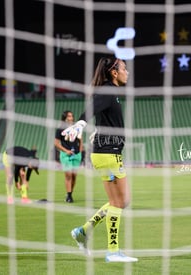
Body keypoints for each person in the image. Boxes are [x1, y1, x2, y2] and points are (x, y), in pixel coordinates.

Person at [62, 57, 137, 262]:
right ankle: (113, 251)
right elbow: (93, 106)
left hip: (108, 153)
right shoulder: (108, 90)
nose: (127, 72)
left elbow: (102, 113)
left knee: (123, 200)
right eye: (124, 69)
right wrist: (81, 122)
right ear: (114, 73)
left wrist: (96, 129)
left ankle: (83, 232)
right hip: (107, 154)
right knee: (118, 202)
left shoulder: (111, 92)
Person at [54, 110, 84, 203]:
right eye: (69, 116)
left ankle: (69, 193)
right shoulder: (60, 129)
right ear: (64, 118)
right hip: (65, 154)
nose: (71, 118)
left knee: (74, 176)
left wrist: (80, 149)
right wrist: (66, 151)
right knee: (68, 174)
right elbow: (56, 143)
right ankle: (69, 196)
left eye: (71, 116)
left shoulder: (76, 128)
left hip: (76, 154)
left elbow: (80, 138)